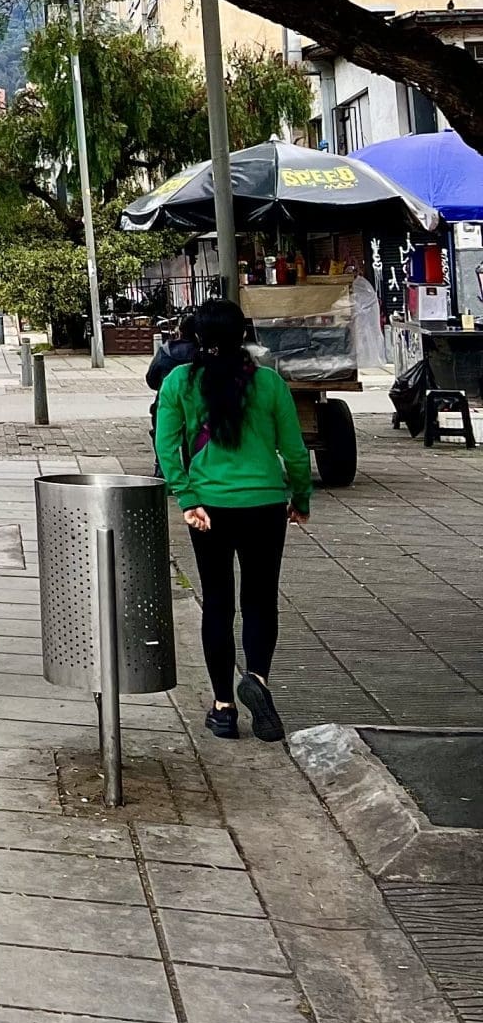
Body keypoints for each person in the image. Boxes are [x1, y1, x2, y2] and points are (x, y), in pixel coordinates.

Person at [155, 297, 311, 743]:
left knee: (218, 602)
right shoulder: (268, 384)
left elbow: (167, 450)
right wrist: (300, 498)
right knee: (260, 598)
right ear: (244, 335)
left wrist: (186, 498)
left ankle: (223, 707)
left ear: (196, 337)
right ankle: (257, 680)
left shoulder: (179, 384)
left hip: (208, 508)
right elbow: (296, 453)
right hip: (264, 506)